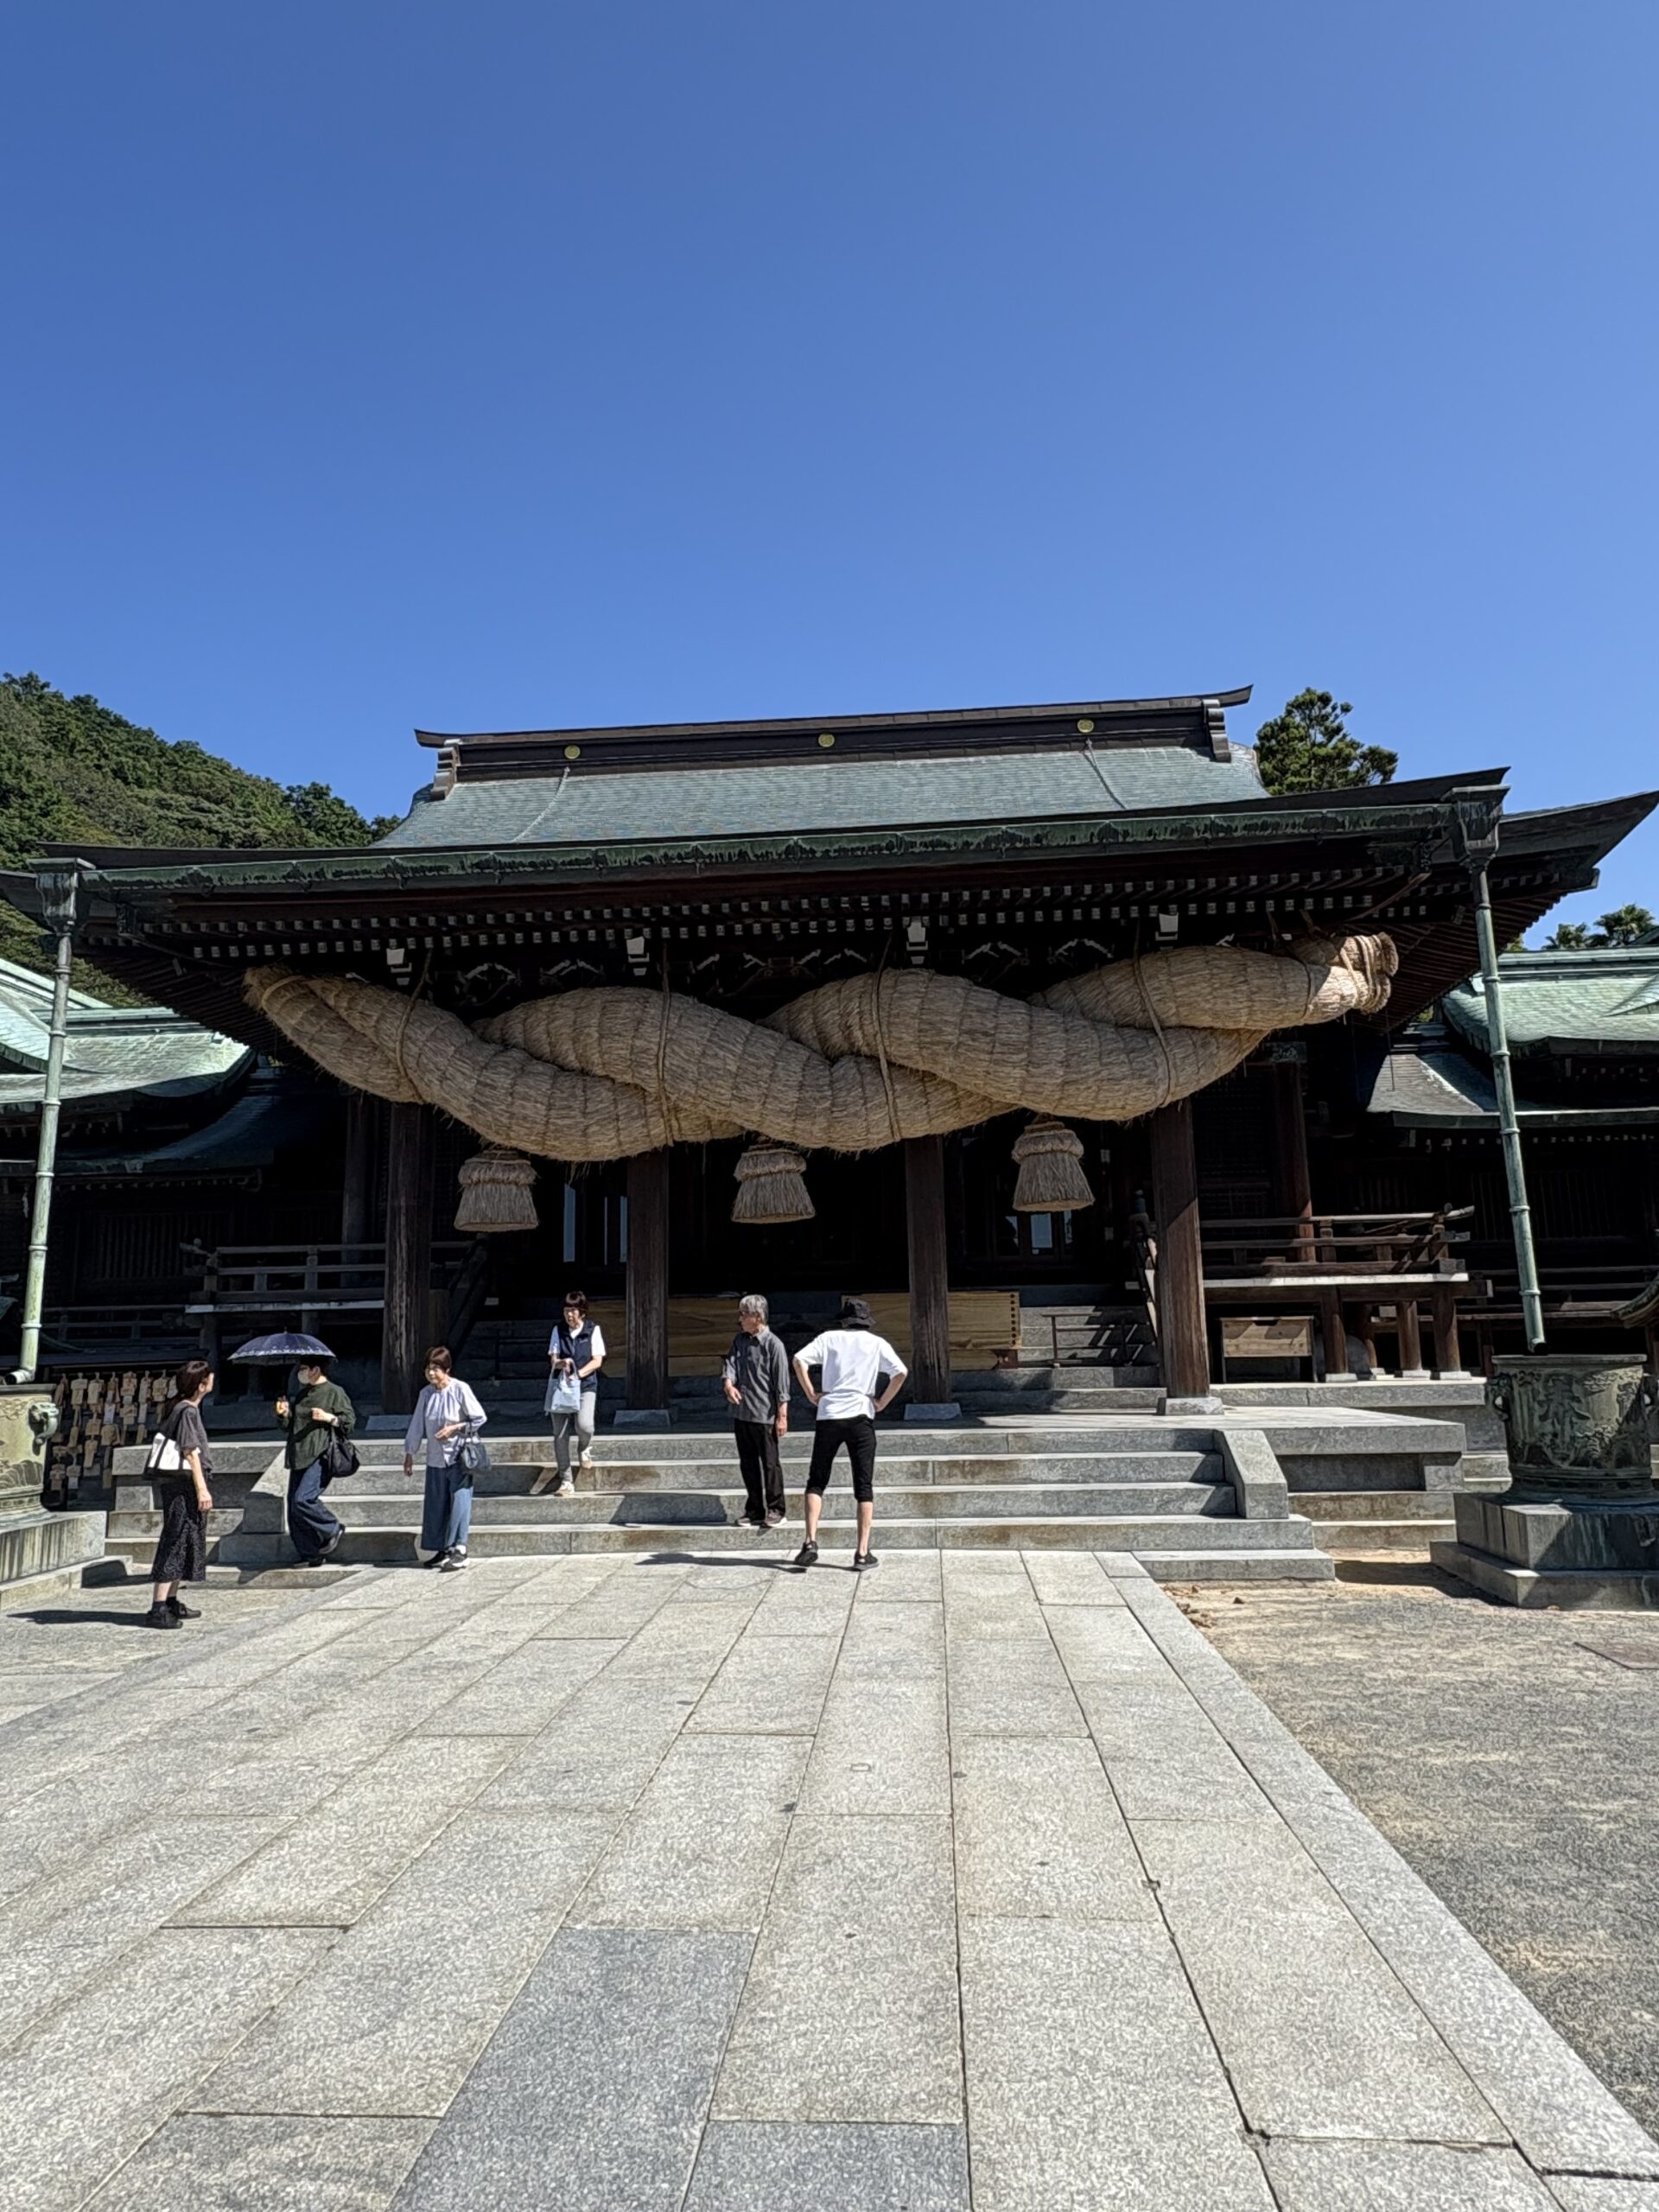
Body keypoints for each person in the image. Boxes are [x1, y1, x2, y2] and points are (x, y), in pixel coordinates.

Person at [791, 1298, 908, 1573]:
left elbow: (798, 1360)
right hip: (861, 1413)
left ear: (844, 1319)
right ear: (866, 1322)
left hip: (829, 1412)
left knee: (817, 1480)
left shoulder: (829, 1338)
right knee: (863, 1486)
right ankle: (862, 1552)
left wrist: (811, 1393)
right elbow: (900, 1372)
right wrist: (881, 1402)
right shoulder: (876, 1343)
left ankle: (810, 1542)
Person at [143, 1357, 215, 1628]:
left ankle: (171, 1600)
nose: (212, 1381)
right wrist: (202, 1489)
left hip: (181, 1484)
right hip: (184, 1484)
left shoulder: (181, 1407)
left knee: (185, 1540)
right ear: (200, 1385)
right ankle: (158, 1606)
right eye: (208, 1379)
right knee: (175, 1540)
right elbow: (190, 1453)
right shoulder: (187, 1412)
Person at [403, 1345, 486, 1572]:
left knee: (460, 1501)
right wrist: (410, 1452)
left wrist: (455, 1428)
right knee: (436, 1503)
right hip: (435, 1457)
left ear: (447, 1369)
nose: (432, 1374)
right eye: (429, 1369)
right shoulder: (426, 1394)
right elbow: (417, 1424)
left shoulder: (460, 1389)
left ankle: (460, 1548)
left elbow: (479, 1418)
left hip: (460, 1456)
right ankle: (441, 1548)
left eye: (436, 1369)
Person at [275, 1356, 355, 1567]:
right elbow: (290, 1427)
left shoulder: (334, 1392)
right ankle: (311, 1552)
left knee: (304, 1499)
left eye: (304, 1369)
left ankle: (331, 1526)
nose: (300, 1373)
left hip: (320, 1454)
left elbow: (349, 1422)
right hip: (298, 1454)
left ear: (315, 1369)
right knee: (294, 1509)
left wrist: (329, 1418)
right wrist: (284, 1414)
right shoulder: (301, 1395)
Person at [721, 1293, 790, 1530]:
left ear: (757, 1316)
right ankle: (754, 1509)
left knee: (770, 1464)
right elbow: (730, 1365)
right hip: (742, 1413)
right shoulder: (740, 1341)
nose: (740, 1319)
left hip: (765, 1413)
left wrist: (782, 1416)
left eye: (744, 1314)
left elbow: (782, 1385)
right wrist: (728, 1384)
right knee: (747, 1463)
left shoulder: (774, 1345)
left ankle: (777, 1509)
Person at [533, 1289, 606, 1497]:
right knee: (560, 1434)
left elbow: (597, 1360)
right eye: (566, 1310)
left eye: (573, 1310)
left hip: (585, 1385)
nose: (569, 1315)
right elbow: (553, 1360)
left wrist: (579, 1374)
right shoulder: (559, 1330)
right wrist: (561, 1363)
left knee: (585, 1425)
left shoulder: (592, 1330)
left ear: (581, 1312)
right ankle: (566, 1481)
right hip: (562, 1388)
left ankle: (584, 1448)